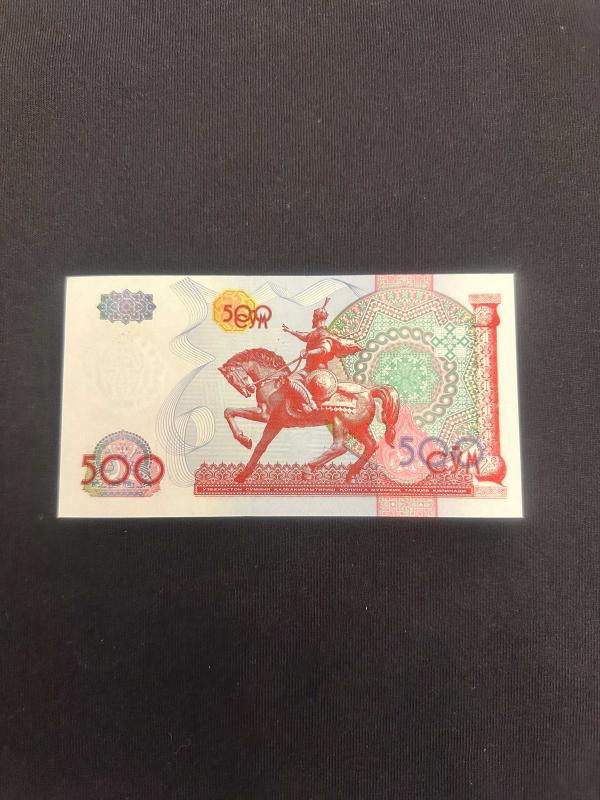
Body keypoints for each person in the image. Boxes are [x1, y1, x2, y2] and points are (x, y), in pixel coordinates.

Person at [282, 298, 360, 413]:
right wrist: (291, 331)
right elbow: (305, 336)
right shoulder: (316, 333)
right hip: (309, 369)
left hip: (316, 370)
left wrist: (309, 352)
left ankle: (310, 404)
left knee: (290, 380)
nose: (312, 320)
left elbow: (324, 349)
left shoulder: (324, 333)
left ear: (316, 318)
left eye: (313, 317)